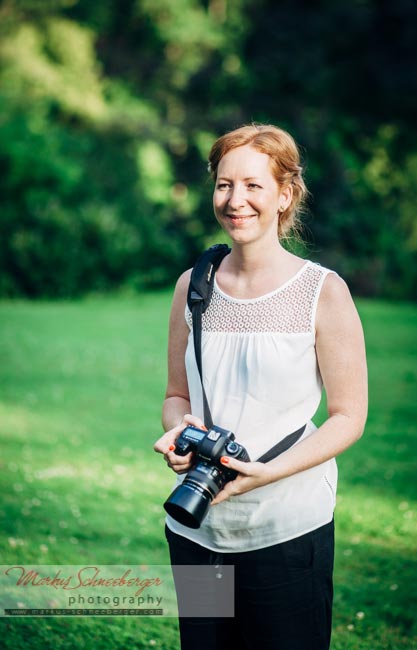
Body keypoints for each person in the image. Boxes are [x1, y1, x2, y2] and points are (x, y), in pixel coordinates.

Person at [154, 123, 368, 650]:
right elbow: (177, 396)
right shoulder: (193, 284)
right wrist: (178, 436)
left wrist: (266, 473)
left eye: (253, 185)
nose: (236, 200)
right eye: (224, 185)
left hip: (288, 529)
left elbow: (348, 415)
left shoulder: (322, 292)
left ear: (284, 194)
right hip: (197, 527)